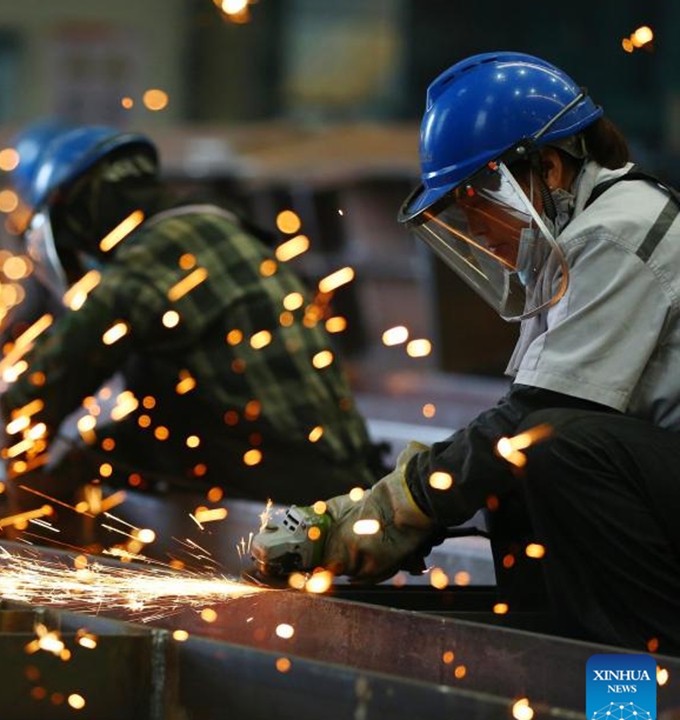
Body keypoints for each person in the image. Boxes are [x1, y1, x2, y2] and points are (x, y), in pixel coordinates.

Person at [255, 52, 680, 652]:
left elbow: (532, 419)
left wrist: (395, 508)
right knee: (511, 464)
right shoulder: (576, 241)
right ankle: (549, 669)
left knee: (552, 445)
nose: (477, 228)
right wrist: (417, 499)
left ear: (548, 170)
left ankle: (633, 702)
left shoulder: (618, 230)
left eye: (478, 201)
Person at [0, 124, 379, 526]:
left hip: (285, 488)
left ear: (66, 208)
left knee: (86, 463)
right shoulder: (217, 225)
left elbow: (34, 393)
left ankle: (38, 534)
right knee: (120, 441)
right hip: (347, 472)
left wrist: (21, 500)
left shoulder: (149, 259)